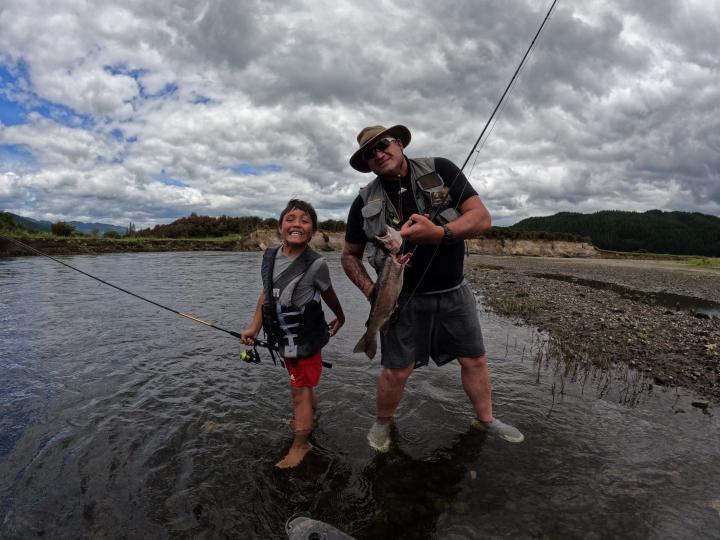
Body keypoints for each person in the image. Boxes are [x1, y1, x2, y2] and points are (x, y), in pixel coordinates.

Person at [341, 125, 524, 452]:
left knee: (474, 360)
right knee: (396, 371)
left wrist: (440, 234)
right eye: (369, 154)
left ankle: (486, 419)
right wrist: (373, 293)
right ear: (366, 163)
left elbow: (481, 218)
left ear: (398, 143)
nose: (379, 154)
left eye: (382, 145)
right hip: (399, 300)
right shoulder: (363, 202)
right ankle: (383, 422)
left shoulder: (441, 169)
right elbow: (349, 256)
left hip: (453, 291)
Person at [241, 199, 345, 468]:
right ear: (280, 226)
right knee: (304, 387)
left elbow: (329, 293)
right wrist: (255, 327)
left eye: (304, 220)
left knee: (298, 391)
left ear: (312, 232)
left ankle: (302, 443)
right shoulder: (269, 256)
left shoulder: (316, 264)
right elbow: (267, 295)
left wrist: (342, 316)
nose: (297, 223)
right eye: (290, 218)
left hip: (305, 341)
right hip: (283, 340)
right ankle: (310, 417)